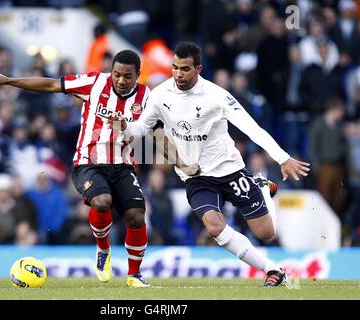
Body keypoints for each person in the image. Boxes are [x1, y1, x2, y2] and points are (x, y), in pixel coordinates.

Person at [109, 42, 310, 287]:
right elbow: (143, 127)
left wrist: (282, 158)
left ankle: (264, 188)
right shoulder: (160, 94)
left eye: (185, 69)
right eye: (174, 68)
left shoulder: (217, 96)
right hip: (195, 175)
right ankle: (272, 270)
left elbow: (251, 128)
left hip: (229, 169)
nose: (178, 74)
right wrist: (125, 127)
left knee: (266, 234)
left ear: (198, 69)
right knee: (214, 227)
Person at [0, 50, 151, 287]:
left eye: (128, 76)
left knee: (136, 217)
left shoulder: (147, 96)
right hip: (88, 162)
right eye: (117, 74)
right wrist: (8, 80)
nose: (121, 81)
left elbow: (159, 130)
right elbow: (51, 85)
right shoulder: (94, 82)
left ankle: (134, 276)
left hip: (123, 166)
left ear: (138, 75)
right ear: (111, 71)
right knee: (102, 202)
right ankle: (103, 249)